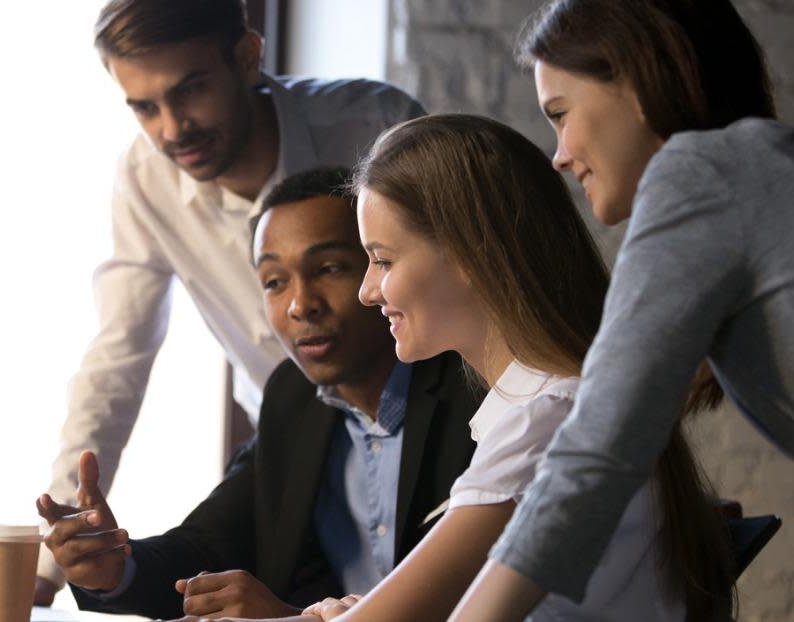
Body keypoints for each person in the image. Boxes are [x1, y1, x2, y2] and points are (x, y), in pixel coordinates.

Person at [0, 0, 425, 605]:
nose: (171, 128)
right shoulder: (146, 177)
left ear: (246, 57)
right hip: (295, 436)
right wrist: (54, 560)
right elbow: (118, 354)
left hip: (423, 414)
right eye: (143, 107)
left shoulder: (375, 125)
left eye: (189, 91)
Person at [175, 114, 735, 622]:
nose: (370, 291)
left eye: (383, 260)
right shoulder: (538, 407)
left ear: (469, 253)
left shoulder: (543, 419)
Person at [448, 2, 793, 619]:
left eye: (560, 113)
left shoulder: (697, 174)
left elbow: (598, 453)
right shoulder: (754, 168)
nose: (558, 153)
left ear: (637, 84)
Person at [34, 168, 480, 620]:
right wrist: (114, 568)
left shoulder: (475, 390)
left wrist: (288, 617)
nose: (300, 304)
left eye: (328, 269)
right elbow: (209, 543)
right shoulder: (294, 397)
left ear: (381, 270)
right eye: (274, 281)